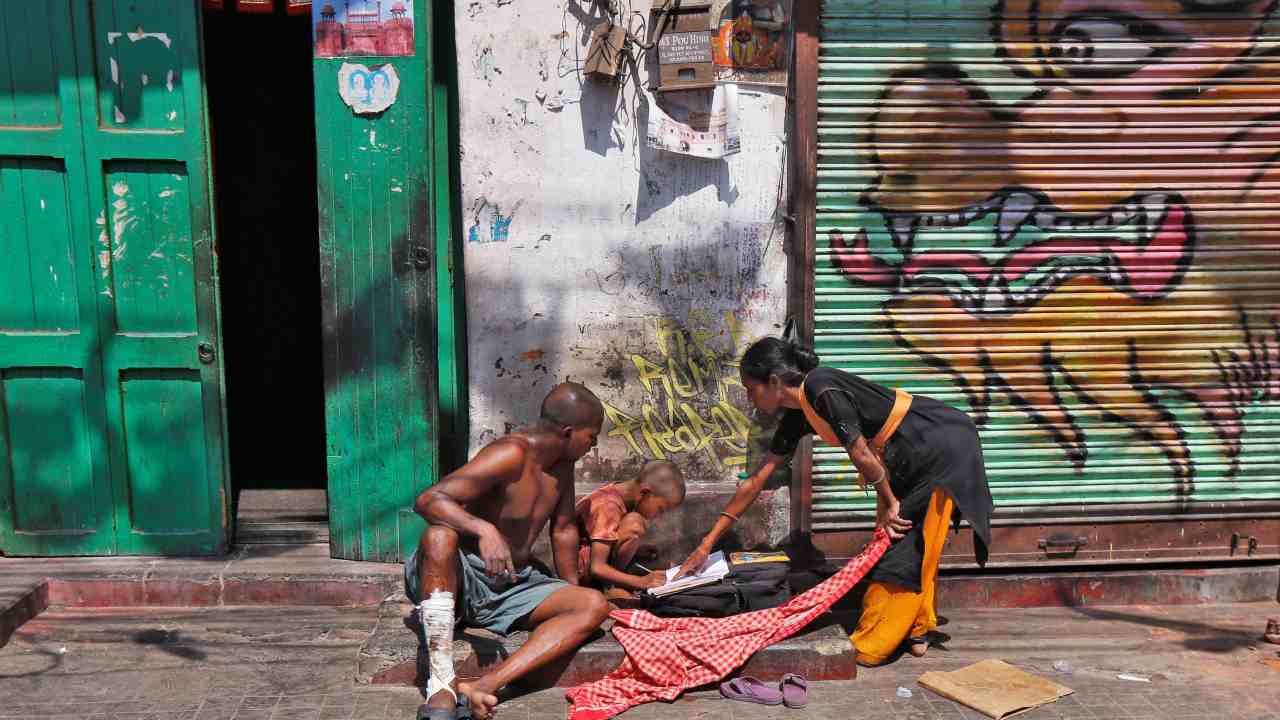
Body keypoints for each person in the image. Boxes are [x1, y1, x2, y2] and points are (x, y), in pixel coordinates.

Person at [674, 337, 994, 667]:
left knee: (902, 546)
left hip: (938, 446)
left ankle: (877, 641)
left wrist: (891, 502)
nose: (749, 399)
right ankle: (918, 627)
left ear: (773, 382)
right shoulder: (798, 414)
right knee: (908, 542)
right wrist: (705, 544)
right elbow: (756, 481)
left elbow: (859, 452)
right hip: (904, 456)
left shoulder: (821, 386)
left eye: (751, 388)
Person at [406, 382, 611, 720]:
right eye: (592, 436)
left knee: (593, 604)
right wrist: (482, 528)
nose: (593, 444)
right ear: (568, 432)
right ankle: (441, 685)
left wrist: (572, 587)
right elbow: (428, 500)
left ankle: (486, 686)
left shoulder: (562, 464)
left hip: (511, 582)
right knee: (439, 536)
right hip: (460, 576)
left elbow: (562, 529)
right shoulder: (510, 453)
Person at [576, 460, 686, 593]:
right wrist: (640, 582)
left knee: (665, 568)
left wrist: (637, 550)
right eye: (660, 509)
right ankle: (610, 588)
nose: (659, 516)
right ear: (644, 493)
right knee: (634, 525)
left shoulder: (619, 493)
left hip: (597, 561)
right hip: (585, 575)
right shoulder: (609, 506)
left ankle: (619, 582)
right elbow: (597, 567)